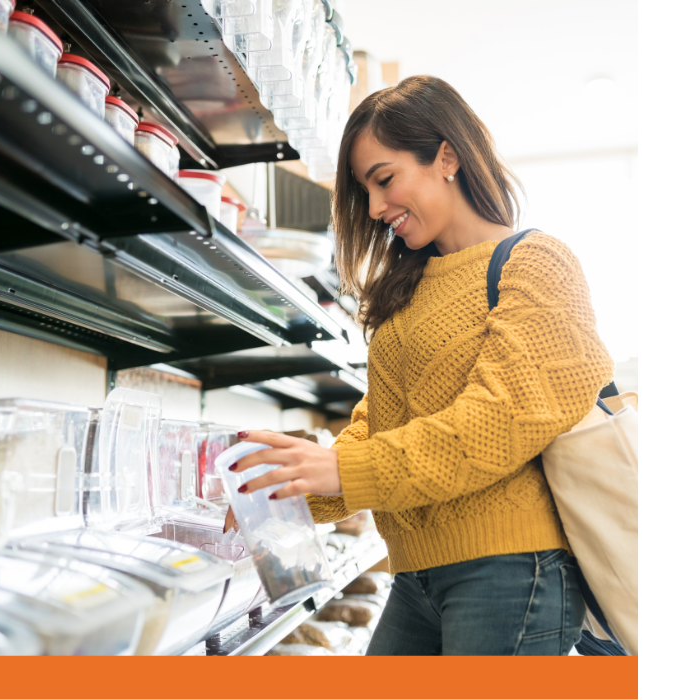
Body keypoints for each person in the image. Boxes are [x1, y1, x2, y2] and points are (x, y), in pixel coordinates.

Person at [225, 75, 614, 655]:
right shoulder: (408, 289)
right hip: (417, 576)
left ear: (447, 157)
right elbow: (381, 424)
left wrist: (339, 474)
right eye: (366, 190)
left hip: (511, 571)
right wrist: (287, 487)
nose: (377, 207)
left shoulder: (536, 264)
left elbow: (498, 423)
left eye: (385, 179)